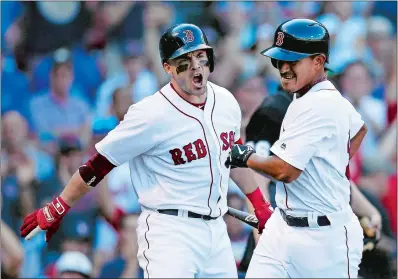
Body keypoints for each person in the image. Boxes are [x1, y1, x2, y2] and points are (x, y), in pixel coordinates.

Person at [20, 23, 271, 278]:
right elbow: (97, 166)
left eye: (200, 56)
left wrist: (261, 206)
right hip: (170, 232)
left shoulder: (226, 102)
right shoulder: (150, 114)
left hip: (216, 231)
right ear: (168, 68)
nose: (196, 66)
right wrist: (59, 205)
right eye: (184, 60)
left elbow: (234, 161)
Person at [225, 18, 368, 278]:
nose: (284, 68)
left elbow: (284, 171)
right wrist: (329, 163)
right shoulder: (318, 96)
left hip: (325, 240)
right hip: (284, 228)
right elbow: (360, 130)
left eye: (294, 61)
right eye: (280, 60)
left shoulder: (318, 104)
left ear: (318, 62)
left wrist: (245, 157)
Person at [238, 85, 384, 276]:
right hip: (283, 227)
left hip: (321, 237)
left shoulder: (325, 109)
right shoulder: (275, 109)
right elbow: (256, 177)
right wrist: (264, 239)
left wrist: (370, 212)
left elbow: (334, 176)